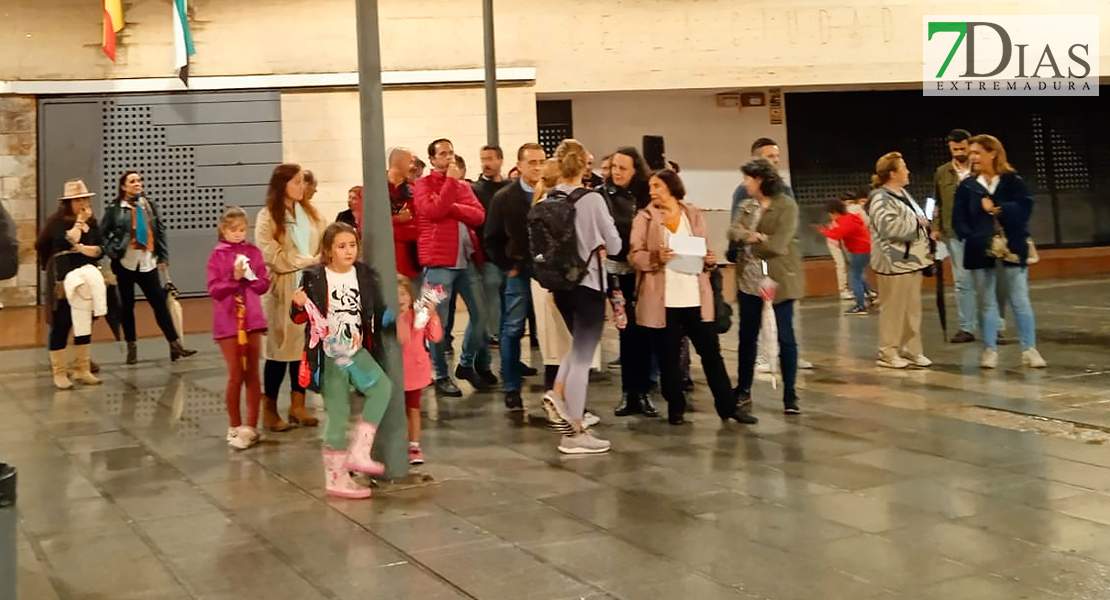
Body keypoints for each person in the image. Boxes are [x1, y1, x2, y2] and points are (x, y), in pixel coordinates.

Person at [291, 222, 393, 499]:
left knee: (382, 387)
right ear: (328, 251)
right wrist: (298, 304)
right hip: (328, 354)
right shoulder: (314, 276)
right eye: (341, 246)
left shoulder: (364, 274)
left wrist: (366, 330)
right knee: (337, 413)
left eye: (352, 245)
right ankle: (335, 478)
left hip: (355, 350)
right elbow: (298, 317)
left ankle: (360, 451)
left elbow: (372, 311)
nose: (349, 251)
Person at [629, 169, 737, 424]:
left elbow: (704, 251)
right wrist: (656, 258)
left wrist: (710, 261)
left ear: (671, 187)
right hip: (663, 300)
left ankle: (728, 406)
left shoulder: (692, 213)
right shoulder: (644, 217)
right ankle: (675, 406)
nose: (652, 191)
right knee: (668, 355)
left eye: (657, 186)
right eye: (651, 186)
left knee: (711, 353)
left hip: (695, 296)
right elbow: (634, 255)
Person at [540, 139, 621, 454]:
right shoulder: (593, 200)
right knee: (584, 358)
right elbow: (614, 245)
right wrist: (599, 242)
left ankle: (558, 393)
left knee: (576, 348)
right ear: (585, 166)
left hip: (561, 286)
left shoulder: (550, 197)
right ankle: (574, 431)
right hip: (588, 285)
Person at [952, 134, 1047, 370]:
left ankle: (1029, 349)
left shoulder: (1012, 180)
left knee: (1020, 299)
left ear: (992, 153)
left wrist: (999, 209)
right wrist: (971, 235)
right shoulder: (967, 186)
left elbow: (1026, 207)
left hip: (1011, 246)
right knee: (986, 302)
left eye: (977, 152)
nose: (972, 157)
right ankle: (989, 349)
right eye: (971, 153)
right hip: (980, 249)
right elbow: (958, 217)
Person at [415, 138, 495, 397]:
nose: (449, 158)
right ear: (432, 160)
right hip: (438, 264)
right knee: (437, 322)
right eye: (443, 154)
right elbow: (434, 211)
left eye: (452, 153)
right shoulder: (422, 185)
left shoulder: (461, 186)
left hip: (466, 262)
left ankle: (465, 363)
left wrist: (452, 205)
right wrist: (449, 187)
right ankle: (440, 374)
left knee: (481, 316)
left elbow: (479, 215)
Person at [728, 138, 813, 371]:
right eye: (769, 156)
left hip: (782, 267)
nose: (775, 160)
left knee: (784, 319)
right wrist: (756, 240)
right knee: (756, 318)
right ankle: (765, 355)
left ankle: (788, 358)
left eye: (776, 156)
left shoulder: (785, 193)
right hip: (754, 268)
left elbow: (788, 231)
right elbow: (737, 228)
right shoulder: (743, 193)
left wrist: (776, 242)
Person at [728, 159, 804, 418]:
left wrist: (752, 241)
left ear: (760, 179)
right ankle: (743, 388)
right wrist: (756, 237)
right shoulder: (746, 205)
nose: (745, 183)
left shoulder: (786, 205)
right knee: (747, 336)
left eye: (748, 178)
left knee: (786, 337)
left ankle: (790, 392)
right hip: (748, 279)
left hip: (778, 279)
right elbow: (732, 231)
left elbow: (779, 244)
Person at [256, 163, 326, 431]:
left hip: (311, 290)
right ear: (282, 185)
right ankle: (270, 409)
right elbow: (271, 254)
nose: (302, 187)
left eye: (303, 182)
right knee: (279, 352)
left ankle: (299, 404)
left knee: (305, 351)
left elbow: (323, 239)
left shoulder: (310, 213)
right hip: (283, 289)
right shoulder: (267, 216)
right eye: (296, 182)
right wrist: (307, 261)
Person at [101, 171, 196, 364]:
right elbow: (103, 233)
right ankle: (132, 346)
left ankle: (175, 344)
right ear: (123, 186)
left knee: (160, 303)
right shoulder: (115, 208)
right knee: (127, 307)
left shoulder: (149, 205)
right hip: (125, 263)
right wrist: (112, 251)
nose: (137, 184)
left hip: (147, 262)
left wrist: (163, 256)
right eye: (132, 181)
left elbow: (160, 230)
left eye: (139, 180)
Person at [485, 143, 547, 411]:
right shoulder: (505, 197)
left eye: (541, 161)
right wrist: (508, 264)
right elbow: (491, 238)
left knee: (551, 331)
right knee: (511, 330)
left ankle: (557, 387)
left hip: (548, 273)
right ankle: (511, 388)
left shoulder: (552, 194)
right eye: (531, 162)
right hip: (519, 271)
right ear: (519, 165)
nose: (536, 167)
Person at [206, 207, 271, 450]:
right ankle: (234, 425)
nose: (238, 234)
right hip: (229, 321)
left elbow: (263, 285)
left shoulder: (253, 251)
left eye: (242, 230)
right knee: (236, 373)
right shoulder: (217, 255)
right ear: (223, 230)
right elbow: (214, 289)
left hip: (252, 318)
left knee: (253, 374)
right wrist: (234, 278)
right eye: (233, 230)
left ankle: (251, 425)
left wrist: (251, 277)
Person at [600, 147, 658, 418]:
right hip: (617, 271)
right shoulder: (603, 195)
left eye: (623, 168)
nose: (617, 173)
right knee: (626, 329)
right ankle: (628, 392)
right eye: (614, 167)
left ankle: (644, 391)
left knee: (644, 331)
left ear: (636, 169)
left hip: (644, 271)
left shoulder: (648, 195)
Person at [36, 179, 105, 390]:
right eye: (78, 199)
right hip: (62, 276)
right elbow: (62, 242)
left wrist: (89, 249)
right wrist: (78, 225)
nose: (83, 203)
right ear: (68, 202)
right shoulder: (57, 222)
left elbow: (100, 247)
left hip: (86, 275)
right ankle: (59, 371)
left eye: (85, 198)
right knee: (62, 321)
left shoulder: (92, 222)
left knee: (83, 320)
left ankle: (82, 369)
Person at [868, 152, 933, 369]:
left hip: (912, 261)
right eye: (903, 167)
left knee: (912, 309)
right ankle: (888, 351)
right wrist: (917, 223)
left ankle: (911, 348)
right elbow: (887, 228)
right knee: (893, 309)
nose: (908, 171)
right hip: (893, 263)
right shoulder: (880, 198)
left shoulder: (903, 193)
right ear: (893, 173)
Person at [933, 128, 979, 343]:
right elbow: (937, 201)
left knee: (987, 280)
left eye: (962, 148)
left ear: (970, 145)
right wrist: (935, 227)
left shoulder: (980, 169)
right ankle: (966, 327)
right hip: (954, 232)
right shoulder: (942, 172)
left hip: (981, 231)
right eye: (955, 149)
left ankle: (994, 326)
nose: (959, 152)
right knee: (962, 280)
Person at [397, 274, 442, 465]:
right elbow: (403, 338)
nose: (400, 298)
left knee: (413, 408)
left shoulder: (418, 315)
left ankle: (414, 444)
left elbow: (435, 337)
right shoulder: (390, 317)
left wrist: (433, 316)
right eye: (395, 294)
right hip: (396, 372)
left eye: (403, 294)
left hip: (414, 370)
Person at [472, 145, 509, 348]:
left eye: (490, 158)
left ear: (500, 160)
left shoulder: (510, 187)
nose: (486, 163)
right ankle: (493, 335)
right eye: (483, 158)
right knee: (492, 294)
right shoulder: (476, 190)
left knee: (510, 299)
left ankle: (506, 336)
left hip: (509, 254)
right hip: (487, 254)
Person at [818, 198, 872, 315]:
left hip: (860, 250)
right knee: (858, 274)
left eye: (830, 213)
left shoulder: (846, 221)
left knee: (854, 277)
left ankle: (860, 305)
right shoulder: (850, 218)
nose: (830, 216)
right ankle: (868, 295)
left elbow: (837, 234)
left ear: (835, 212)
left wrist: (824, 231)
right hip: (863, 249)